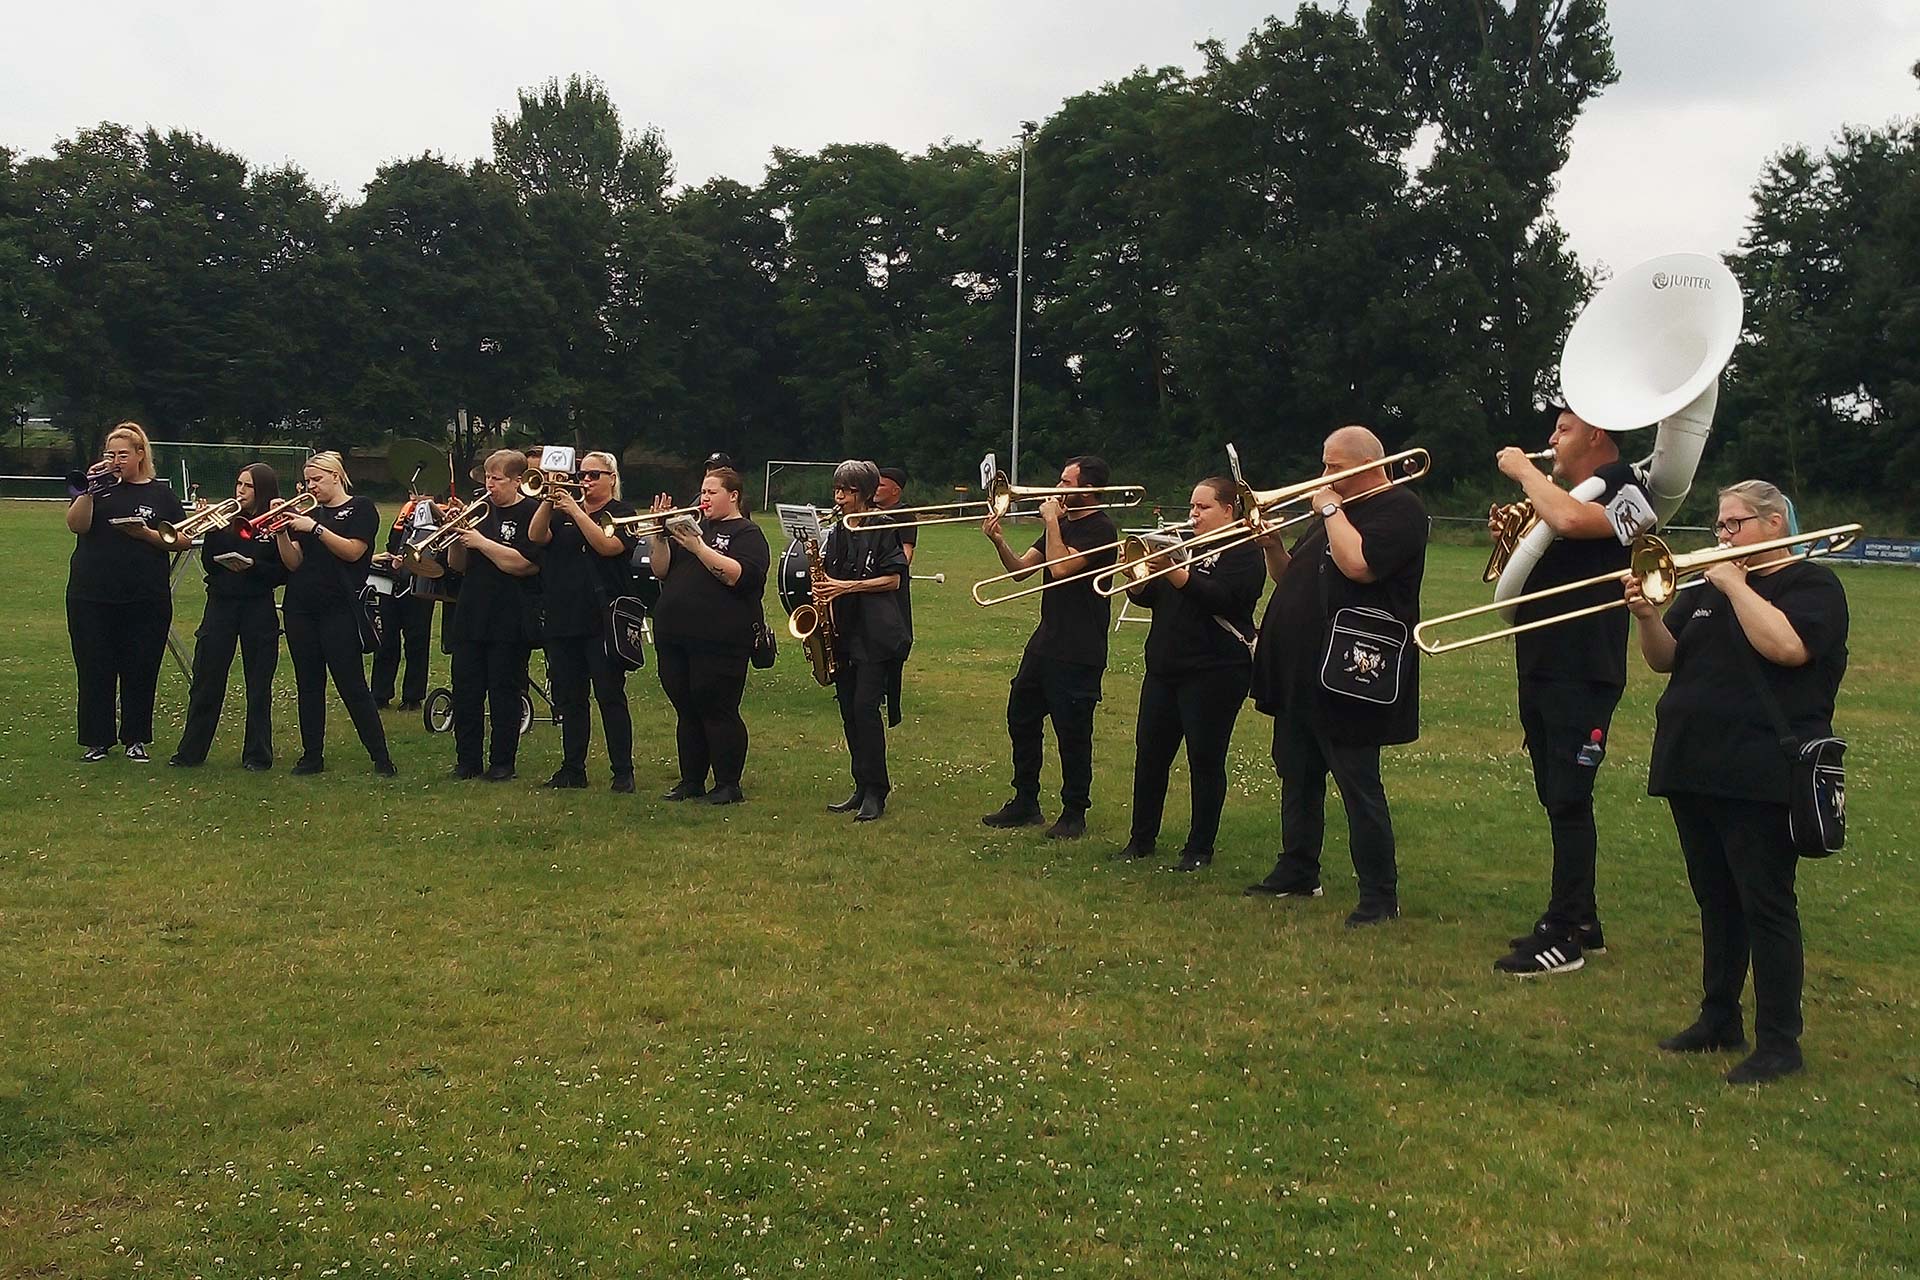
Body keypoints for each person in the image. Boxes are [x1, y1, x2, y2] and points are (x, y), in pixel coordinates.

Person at [1625, 481, 1848, 1084]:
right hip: (1692, 762)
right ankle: (1719, 1017)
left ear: (1774, 524)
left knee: (1765, 904)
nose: (1721, 537)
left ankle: (1781, 1043)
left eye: (1733, 525)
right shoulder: (1702, 589)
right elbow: (1665, 659)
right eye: (1719, 526)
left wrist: (1733, 583)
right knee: (1715, 901)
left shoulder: (1813, 585)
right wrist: (1647, 617)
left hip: (1760, 770)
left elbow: (1789, 647)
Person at [1490, 404, 1658, 975]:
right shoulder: (1570, 491)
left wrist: (1526, 474)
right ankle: (1581, 917)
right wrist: (1513, 535)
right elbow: (1547, 550)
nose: (1551, 440)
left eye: (1562, 430)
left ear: (1596, 433)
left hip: (1583, 665)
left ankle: (1565, 935)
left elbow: (1572, 523)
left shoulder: (1630, 489)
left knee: (1569, 796)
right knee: (1554, 791)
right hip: (1545, 660)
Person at [1244, 426, 1427, 927]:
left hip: (1353, 669)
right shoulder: (1336, 511)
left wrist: (1329, 509)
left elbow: (1359, 565)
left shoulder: (1400, 509)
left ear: (1368, 466)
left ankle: (1379, 895)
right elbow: (1290, 576)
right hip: (1303, 669)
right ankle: (1297, 869)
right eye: (1324, 465)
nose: (1323, 477)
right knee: (1296, 772)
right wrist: (1272, 546)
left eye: (1334, 468)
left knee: (1357, 782)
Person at [1114, 477, 1265, 871]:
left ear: (1228, 510)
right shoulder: (1185, 545)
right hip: (1165, 666)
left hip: (1215, 670)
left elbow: (1224, 600)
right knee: (1150, 756)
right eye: (1192, 508)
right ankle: (1141, 839)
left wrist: (1175, 570)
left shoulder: (1243, 552)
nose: (1194, 515)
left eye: (1203, 507)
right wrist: (1134, 576)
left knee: (1205, 758)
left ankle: (1199, 848)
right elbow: (1153, 597)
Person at [978, 456, 1120, 839]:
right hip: (1046, 641)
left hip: (1080, 647)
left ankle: (1075, 811)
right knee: (1020, 716)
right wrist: (999, 541)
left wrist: (1053, 521)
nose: (1057, 490)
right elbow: (1023, 570)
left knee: (1073, 733)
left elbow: (1060, 569)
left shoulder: (1101, 529)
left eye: (1066, 483)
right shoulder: (1062, 526)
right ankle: (1026, 801)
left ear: (1088, 491)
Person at [64, 422, 186, 763]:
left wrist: (146, 534)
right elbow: (77, 525)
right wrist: (88, 489)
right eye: (109, 454)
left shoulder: (159, 494)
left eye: (122, 454)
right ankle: (96, 740)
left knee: (141, 668)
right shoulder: (97, 489)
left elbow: (183, 539)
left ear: (139, 455)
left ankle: (135, 738)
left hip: (145, 597)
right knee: (94, 668)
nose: (115, 460)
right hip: (91, 595)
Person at [649, 466, 771, 805]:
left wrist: (699, 547)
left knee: (717, 708)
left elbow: (738, 576)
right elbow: (660, 570)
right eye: (702, 492)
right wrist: (659, 536)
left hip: (720, 638)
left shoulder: (747, 534)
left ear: (732, 495)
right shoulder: (692, 529)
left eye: (712, 492)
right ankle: (691, 780)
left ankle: (728, 783)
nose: (704, 498)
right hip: (675, 633)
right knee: (686, 709)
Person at [275, 451, 396, 776]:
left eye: (317, 479)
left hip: (339, 606)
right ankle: (311, 755)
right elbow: (293, 563)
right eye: (307, 480)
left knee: (351, 684)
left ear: (336, 476)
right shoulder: (307, 513)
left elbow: (354, 551)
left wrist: (315, 528)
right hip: (300, 606)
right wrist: (282, 533)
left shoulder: (361, 507)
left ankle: (380, 757)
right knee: (308, 683)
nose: (311, 486)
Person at [529, 451, 639, 791]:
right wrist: (550, 498)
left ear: (611, 478)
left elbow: (608, 547)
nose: (586, 480)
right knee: (570, 698)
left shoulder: (621, 514)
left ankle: (622, 771)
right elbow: (535, 536)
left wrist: (576, 510)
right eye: (582, 474)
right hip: (563, 616)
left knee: (609, 696)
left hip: (601, 618)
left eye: (594, 475)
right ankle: (572, 767)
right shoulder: (561, 512)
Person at [170, 464, 285, 769]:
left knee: (258, 684)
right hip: (220, 604)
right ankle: (191, 752)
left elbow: (282, 572)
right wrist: (215, 532)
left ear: (262, 489)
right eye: (238, 484)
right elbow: (210, 563)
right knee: (206, 679)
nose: (240, 491)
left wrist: (253, 566)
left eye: (247, 486)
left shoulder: (274, 525)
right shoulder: (225, 520)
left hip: (258, 605)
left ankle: (258, 755)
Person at [815, 460, 909, 821]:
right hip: (846, 630)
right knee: (848, 711)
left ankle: (877, 791)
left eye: (848, 490)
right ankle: (860, 784)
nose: (839, 497)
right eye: (837, 489)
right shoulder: (839, 529)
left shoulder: (883, 526)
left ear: (866, 493)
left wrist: (846, 587)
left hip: (877, 633)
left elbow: (893, 580)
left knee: (865, 710)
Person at [445, 449, 542, 782]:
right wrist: (457, 536)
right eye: (487, 477)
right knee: (466, 689)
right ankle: (467, 760)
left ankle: (503, 761)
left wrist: (480, 541)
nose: (490, 485)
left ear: (518, 480)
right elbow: (458, 565)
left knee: (504, 690)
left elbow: (524, 564)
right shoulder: (478, 513)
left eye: (497, 479)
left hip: (510, 615)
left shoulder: (531, 513)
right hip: (471, 612)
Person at [370, 485, 440, 712]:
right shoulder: (405, 512)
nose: (415, 496)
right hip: (393, 582)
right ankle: (380, 693)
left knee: (417, 640)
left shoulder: (437, 515)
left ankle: (413, 695)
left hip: (420, 584)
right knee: (386, 639)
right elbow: (393, 541)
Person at [874, 466, 917, 726]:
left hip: (893, 587)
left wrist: (889, 567)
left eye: (880, 485)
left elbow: (906, 554)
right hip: (870, 584)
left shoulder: (904, 514)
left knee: (893, 638)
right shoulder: (871, 512)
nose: (875, 489)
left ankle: (890, 694)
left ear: (895, 490)